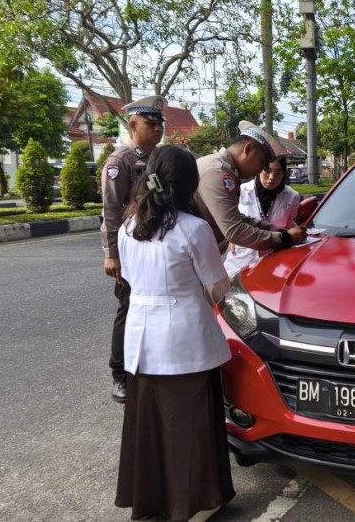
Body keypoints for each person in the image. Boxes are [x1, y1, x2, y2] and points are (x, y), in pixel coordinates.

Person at [114, 145, 234, 522]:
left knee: (150, 427)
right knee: (190, 426)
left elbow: (131, 280)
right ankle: (194, 503)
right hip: (185, 342)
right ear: (188, 184)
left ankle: (153, 501)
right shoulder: (194, 229)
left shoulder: (128, 227)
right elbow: (218, 289)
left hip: (142, 341)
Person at [99, 95, 167, 404]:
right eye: (151, 124)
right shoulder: (121, 161)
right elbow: (111, 211)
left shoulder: (157, 158)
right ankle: (120, 375)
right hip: (130, 251)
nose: (157, 129)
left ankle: (146, 369)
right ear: (132, 125)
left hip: (156, 248)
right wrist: (112, 254)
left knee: (151, 308)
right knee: (128, 309)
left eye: (159, 124)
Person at [195, 121, 306, 257]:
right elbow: (235, 231)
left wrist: (280, 232)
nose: (260, 170)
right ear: (248, 149)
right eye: (261, 163)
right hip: (189, 258)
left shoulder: (222, 168)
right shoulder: (218, 173)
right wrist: (285, 238)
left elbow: (237, 218)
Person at [223, 155, 302, 276]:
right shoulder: (241, 190)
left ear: (284, 174)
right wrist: (230, 237)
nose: (271, 178)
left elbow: (290, 226)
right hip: (242, 257)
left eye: (278, 173)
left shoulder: (292, 196)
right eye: (267, 171)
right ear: (259, 170)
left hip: (276, 260)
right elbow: (228, 220)